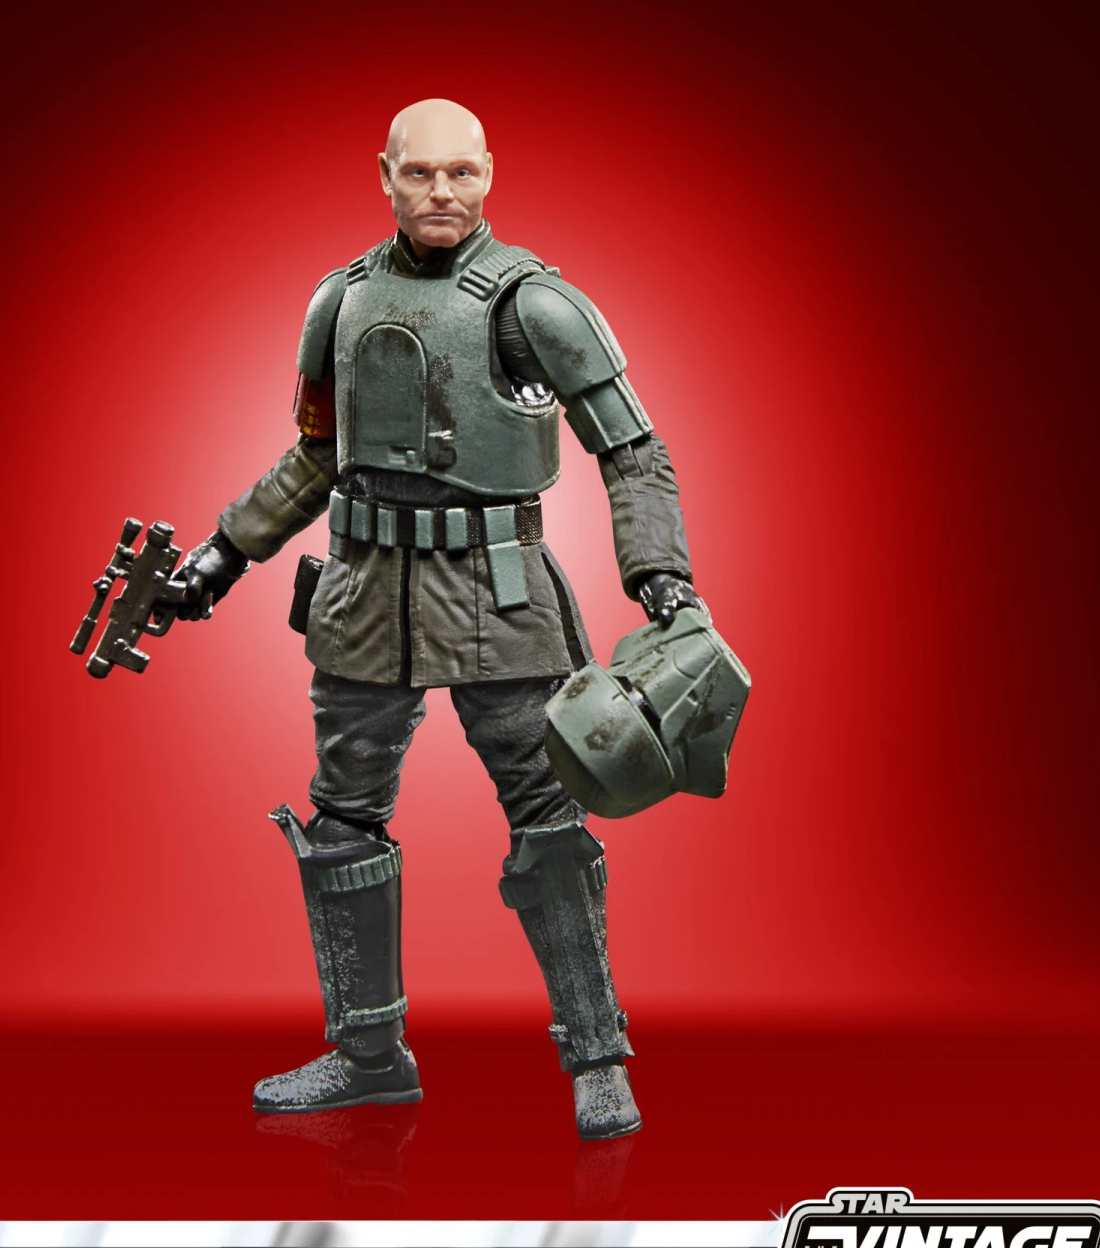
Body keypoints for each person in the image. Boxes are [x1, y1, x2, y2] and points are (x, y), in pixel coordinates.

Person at [168, 99, 704, 1139]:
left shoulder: (535, 305)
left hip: (500, 592)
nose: (443, 192)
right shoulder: (341, 301)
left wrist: (661, 579)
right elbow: (318, 454)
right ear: (386, 176)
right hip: (367, 590)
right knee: (343, 821)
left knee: (550, 819)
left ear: (490, 172)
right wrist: (225, 552)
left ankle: (598, 1055)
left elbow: (634, 452)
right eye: (420, 174)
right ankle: (368, 1054)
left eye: (462, 172)